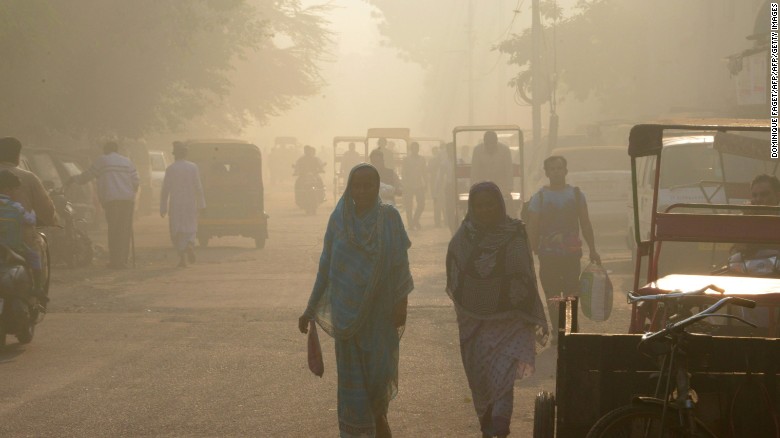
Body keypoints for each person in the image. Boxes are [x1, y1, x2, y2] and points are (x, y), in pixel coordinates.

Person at [298, 163, 414, 438]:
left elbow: (400, 265)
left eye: (368, 185)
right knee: (353, 383)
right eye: (356, 185)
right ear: (349, 187)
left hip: (380, 314)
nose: (362, 190)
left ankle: (379, 416)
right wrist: (310, 308)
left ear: (377, 187)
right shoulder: (338, 219)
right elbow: (326, 266)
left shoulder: (389, 218)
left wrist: (402, 304)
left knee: (377, 375)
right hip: (346, 317)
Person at [446, 182, 548, 438]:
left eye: (490, 204)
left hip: (509, 324)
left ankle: (499, 430)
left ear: (500, 204)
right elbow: (455, 275)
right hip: (475, 328)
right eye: (479, 205)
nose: (485, 210)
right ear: (471, 208)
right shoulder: (463, 236)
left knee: (502, 385)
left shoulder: (515, 233)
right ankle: (488, 428)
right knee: (482, 387)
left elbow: (524, 273)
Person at [526, 155, 600, 343]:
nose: (556, 172)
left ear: (566, 171)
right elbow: (532, 228)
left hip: (572, 255)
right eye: (552, 169)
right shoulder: (539, 197)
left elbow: (585, 223)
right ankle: (558, 332)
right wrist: (529, 251)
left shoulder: (576, 195)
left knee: (571, 293)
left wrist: (593, 249)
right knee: (552, 294)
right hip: (547, 256)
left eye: (559, 168)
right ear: (547, 173)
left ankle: (571, 330)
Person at [0, 137, 57, 302]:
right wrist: (52, 220)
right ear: (17, 156)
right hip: (21, 238)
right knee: (36, 251)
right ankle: (37, 291)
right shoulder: (28, 177)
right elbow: (46, 209)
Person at [69, 141, 139, 269]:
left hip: (112, 200)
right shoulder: (127, 162)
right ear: (117, 150)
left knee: (114, 230)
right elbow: (136, 182)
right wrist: (130, 193)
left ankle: (115, 261)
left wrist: (74, 179)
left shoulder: (102, 161)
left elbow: (87, 176)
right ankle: (123, 260)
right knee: (124, 231)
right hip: (128, 201)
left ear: (105, 150)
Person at [0, 170, 45, 300]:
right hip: (14, 247)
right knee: (35, 257)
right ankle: (38, 288)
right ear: (8, 189)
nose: (16, 192)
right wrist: (34, 214)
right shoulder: (16, 207)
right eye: (15, 189)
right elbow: (30, 219)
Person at [160, 142, 206, 268]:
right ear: (186, 154)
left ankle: (182, 259)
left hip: (176, 204)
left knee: (177, 230)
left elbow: (165, 190)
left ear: (175, 155)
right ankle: (190, 245)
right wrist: (202, 205)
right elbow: (198, 187)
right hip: (190, 203)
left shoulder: (170, 169)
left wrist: (163, 207)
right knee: (190, 227)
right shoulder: (193, 167)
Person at [471, 131, 513, 197]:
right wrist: (474, 188)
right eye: (488, 143)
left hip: (501, 187)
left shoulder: (505, 150)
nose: (490, 146)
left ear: (496, 141)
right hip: (483, 187)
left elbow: (509, 169)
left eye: (492, 143)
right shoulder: (477, 150)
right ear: (484, 142)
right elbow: (474, 170)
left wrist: (509, 188)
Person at [401, 142, 428, 230]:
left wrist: (426, 183)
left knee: (421, 204)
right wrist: (404, 183)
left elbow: (424, 172)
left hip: (419, 184)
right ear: (411, 149)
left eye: (417, 148)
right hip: (408, 185)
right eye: (413, 148)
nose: (415, 149)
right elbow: (403, 172)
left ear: (418, 149)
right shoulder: (406, 159)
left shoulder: (422, 159)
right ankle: (410, 224)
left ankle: (415, 220)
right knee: (409, 206)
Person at [428, 146, 443, 227]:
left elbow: (429, 170)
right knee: (438, 202)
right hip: (435, 184)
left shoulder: (434, 161)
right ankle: (439, 221)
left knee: (438, 203)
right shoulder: (436, 161)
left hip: (437, 184)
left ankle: (439, 221)